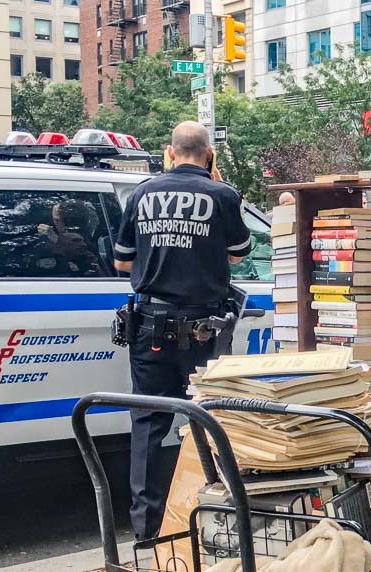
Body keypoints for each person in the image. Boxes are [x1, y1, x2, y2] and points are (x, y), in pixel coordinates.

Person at [114, 121, 253, 541]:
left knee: (150, 424)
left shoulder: (141, 192)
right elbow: (238, 255)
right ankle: (211, 523)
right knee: (210, 420)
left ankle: (147, 531)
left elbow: (122, 263)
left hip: (149, 327)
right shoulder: (221, 195)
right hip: (203, 330)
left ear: (169, 152)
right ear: (208, 153)